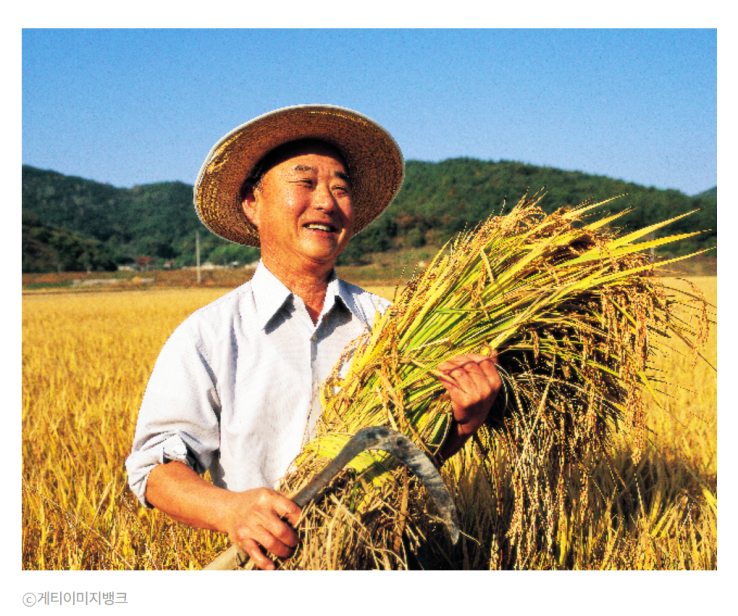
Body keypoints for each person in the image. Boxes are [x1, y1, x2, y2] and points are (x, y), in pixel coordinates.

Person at [126, 105, 502, 570]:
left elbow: (410, 454)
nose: (326, 201)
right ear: (252, 202)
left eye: (340, 189)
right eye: (304, 183)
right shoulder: (209, 335)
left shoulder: (394, 327)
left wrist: (464, 420)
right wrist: (233, 511)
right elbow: (154, 470)